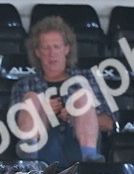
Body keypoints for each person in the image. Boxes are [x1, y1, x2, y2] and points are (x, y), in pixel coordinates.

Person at [10, 15, 116, 166]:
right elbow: (16, 126)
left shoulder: (88, 79)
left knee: (82, 97)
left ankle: (90, 158)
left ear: (67, 49)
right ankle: (29, 160)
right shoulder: (24, 84)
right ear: (37, 52)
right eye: (45, 48)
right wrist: (43, 111)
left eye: (56, 46)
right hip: (42, 147)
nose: (51, 53)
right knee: (32, 98)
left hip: (77, 146)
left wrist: (77, 115)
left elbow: (109, 123)